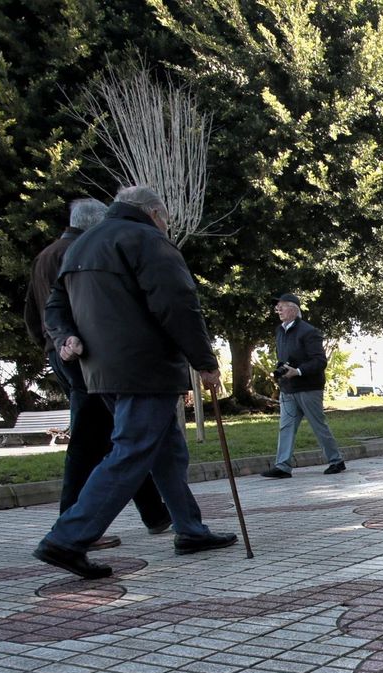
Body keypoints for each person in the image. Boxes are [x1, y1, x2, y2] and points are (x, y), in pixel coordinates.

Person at [36, 185, 236, 580]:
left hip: (101, 371)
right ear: (153, 213)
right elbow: (178, 304)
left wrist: (64, 336)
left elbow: (54, 305)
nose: (166, 227)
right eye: (166, 220)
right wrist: (205, 362)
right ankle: (68, 537)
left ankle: (190, 530)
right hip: (146, 368)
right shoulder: (146, 240)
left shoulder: (80, 245)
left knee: (167, 450)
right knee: (130, 452)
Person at [25, 197, 170, 550]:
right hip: (88, 356)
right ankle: (71, 526)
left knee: (116, 435)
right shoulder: (84, 251)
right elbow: (89, 307)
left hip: (64, 352)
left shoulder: (47, 254)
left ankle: (155, 513)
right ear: (95, 224)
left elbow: (34, 313)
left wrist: (50, 345)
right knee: (94, 441)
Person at [261, 293, 345, 478]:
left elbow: (319, 361)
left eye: (282, 306)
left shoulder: (309, 332)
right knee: (286, 427)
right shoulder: (279, 330)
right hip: (288, 388)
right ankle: (282, 466)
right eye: (277, 307)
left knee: (317, 425)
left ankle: (336, 461)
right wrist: (280, 371)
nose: (278, 309)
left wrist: (298, 371)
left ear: (294, 309)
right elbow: (283, 358)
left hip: (308, 388)